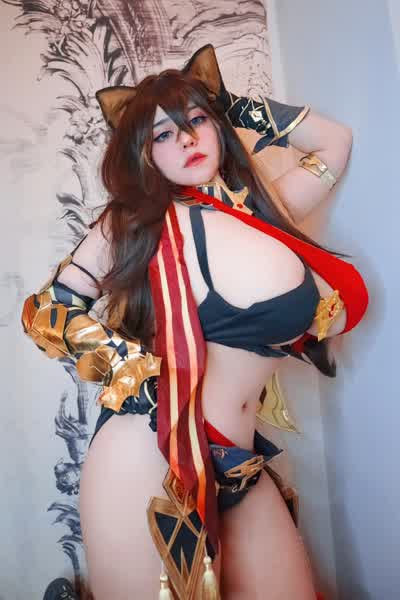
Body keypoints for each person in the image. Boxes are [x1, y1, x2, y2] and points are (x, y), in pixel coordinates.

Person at [22, 45, 368, 599]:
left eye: (196, 120)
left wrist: (229, 102)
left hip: (238, 460)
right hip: (150, 451)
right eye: (163, 134)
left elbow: (335, 143)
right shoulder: (134, 224)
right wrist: (132, 369)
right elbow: (47, 310)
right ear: (142, 154)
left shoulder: (260, 214)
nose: (185, 139)